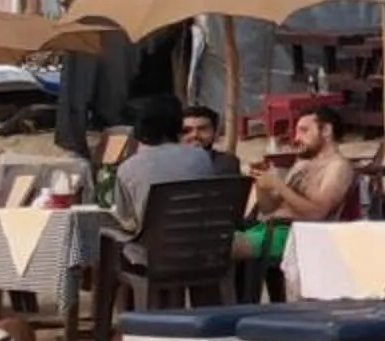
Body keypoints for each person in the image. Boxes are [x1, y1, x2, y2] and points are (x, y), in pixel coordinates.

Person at [235, 105, 357, 266]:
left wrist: (279, 185)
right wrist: (261, 182)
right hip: (269, 229)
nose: (296, 138)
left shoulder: (338, 167)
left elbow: (317, 214)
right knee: (212, 240)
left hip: (296, 236)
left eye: (304, 131)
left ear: (326, 130)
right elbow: (268, 208)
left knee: (217, 246)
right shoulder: (302, 164)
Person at [108, 94, 240, 240]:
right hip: (202, 244)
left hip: (153, 252)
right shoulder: (200, 157)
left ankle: (82, 260)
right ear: (178, 127)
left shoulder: (127, 168)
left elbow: (126, 220)